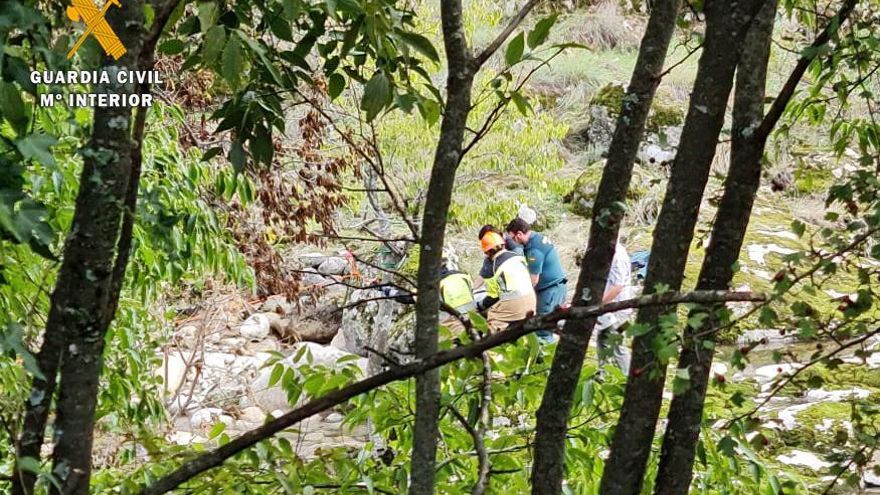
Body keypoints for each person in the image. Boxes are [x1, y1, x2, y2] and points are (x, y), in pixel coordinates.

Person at [505, 218, 567, 343]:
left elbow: (533, 280)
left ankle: (545, 358)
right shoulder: (537, 237)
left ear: (519, 234)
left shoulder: (534, 250)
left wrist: (520, 297)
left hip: (550, 291)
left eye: (513, 238)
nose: (513, 242)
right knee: (547, 324)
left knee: (543, 329)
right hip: (554, 287)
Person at [476, 231, 536, 332]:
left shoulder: (492, 266)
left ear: (487, 252)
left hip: (513, 307)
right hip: (531, 302)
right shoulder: (517, 256)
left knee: (492, 324)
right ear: (503, 245)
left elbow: (493, 297)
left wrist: (479, 306)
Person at [595, 241, 633, 374]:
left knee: (617, 344)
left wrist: (599, 303)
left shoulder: (618, 256)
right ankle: (603, 374)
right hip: (611, 308)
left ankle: (626, 376)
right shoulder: (608, 252)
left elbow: (617, 287)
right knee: (602, 339)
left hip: (620, 309)